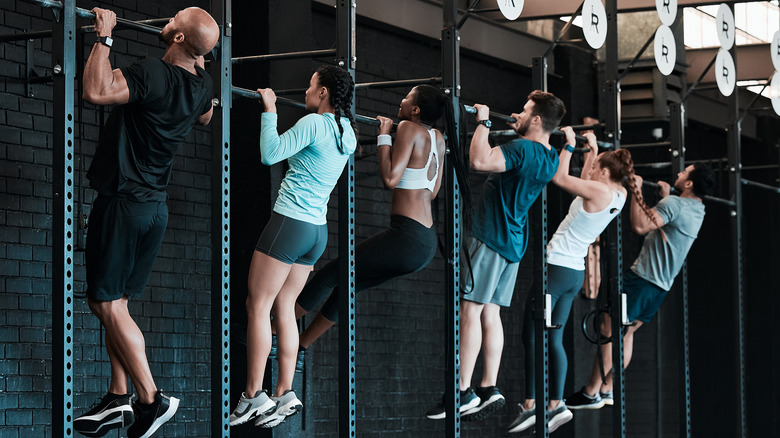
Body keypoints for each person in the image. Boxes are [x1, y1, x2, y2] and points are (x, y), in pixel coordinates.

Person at [72, 7, 219, 438]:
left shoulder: (151, 73)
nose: (168, 19)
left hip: (123, 203)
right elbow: (207, 115)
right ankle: (118, 396)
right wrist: (200, 61)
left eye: (174, 18)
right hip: (154, 209)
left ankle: (151, 400)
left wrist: (106, 36)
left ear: (175, 37)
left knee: (104, 304)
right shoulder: (202, 85)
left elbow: (96, 91)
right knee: (118, 305)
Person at [229, 65, 358, 429]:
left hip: (290, 223)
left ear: (324, 94)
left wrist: (268, 108)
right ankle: (285, 390)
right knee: (284, 306)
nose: (305, 92)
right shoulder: (346, 131)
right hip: (316, 232)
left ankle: (253, 394)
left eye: (310, 85)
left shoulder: (315, 123)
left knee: (258, 306)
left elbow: (270, 154)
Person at [294, 85, 468, 351]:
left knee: (330, 275)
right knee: (349, 284)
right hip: (424, 245)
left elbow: (389, 179)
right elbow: (432, 192)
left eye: (407, 97)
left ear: (416, 110)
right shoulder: (439, 138)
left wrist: (385, 136)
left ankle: (272, 328)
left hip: (406, 237)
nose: (402, 99)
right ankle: (301, 346)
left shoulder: (409, 128)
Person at [426, 90, 566, 421]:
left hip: (491, 238)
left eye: (524, 109)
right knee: (491, 314)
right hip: (514, 245)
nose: (517, 114)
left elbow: (479, 160)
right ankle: (489, 387)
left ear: (535, 119)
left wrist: (484, 121)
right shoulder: (550, 158)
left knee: (470, 311)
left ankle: (461, 392)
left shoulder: (523, 149)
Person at [507, 130, 642, 433]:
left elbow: (561, 178)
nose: (591, 169)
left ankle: (531, 405)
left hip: (555, 270)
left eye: (596, 167)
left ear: (605, 172)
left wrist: (568, 145)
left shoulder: (601, 192)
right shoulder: (618, 195)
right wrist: (591, 151)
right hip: (573, 274)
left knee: (531, 335)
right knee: (552, 338)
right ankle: (556, 403)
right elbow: (586, 181)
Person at [565, 162, 715, 409]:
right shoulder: (697, 209)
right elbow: (670, 221)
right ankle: (607, 388)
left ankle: (590, 392)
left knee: (609, 330)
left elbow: (639, 226)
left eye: (684, 172)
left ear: (688, 184)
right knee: (627, 333)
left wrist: (636, 191)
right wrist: (666, 198)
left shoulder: (675, 205)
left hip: (643, 280)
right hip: (659, 287)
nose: (679, 173)